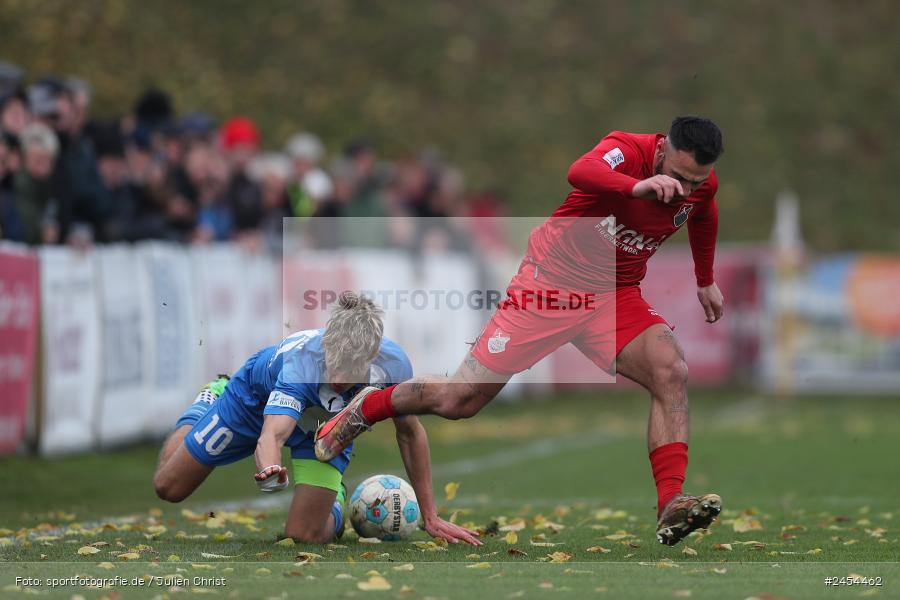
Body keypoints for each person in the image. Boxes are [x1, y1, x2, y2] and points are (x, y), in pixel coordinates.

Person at [314, 116, 726, 547]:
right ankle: (368, 407)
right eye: (677, 177)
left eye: (695, 181)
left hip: (614, 294)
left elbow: (704, 213)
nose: (686, 188)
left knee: (671, 368)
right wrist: (633, 187)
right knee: (460, 400)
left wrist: (705, 278)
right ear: (662, 151)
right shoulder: (628, 150)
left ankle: (670, 502)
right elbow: (580, 171)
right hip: (550, 285)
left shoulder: (701, 186)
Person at [153, 292, 480, 545]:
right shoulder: (301, 365)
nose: (338, 376)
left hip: (326, 432)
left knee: (303, 536)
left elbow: (409, 433)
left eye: (349, 368)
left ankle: (334, 499)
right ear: (326, 342)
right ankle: (208, 401)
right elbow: (272, 435)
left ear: (370, 357)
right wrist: (269, 468)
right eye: (333, 363)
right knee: (168, 487)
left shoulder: (393, 367)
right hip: (252, 405)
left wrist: (431, 516)